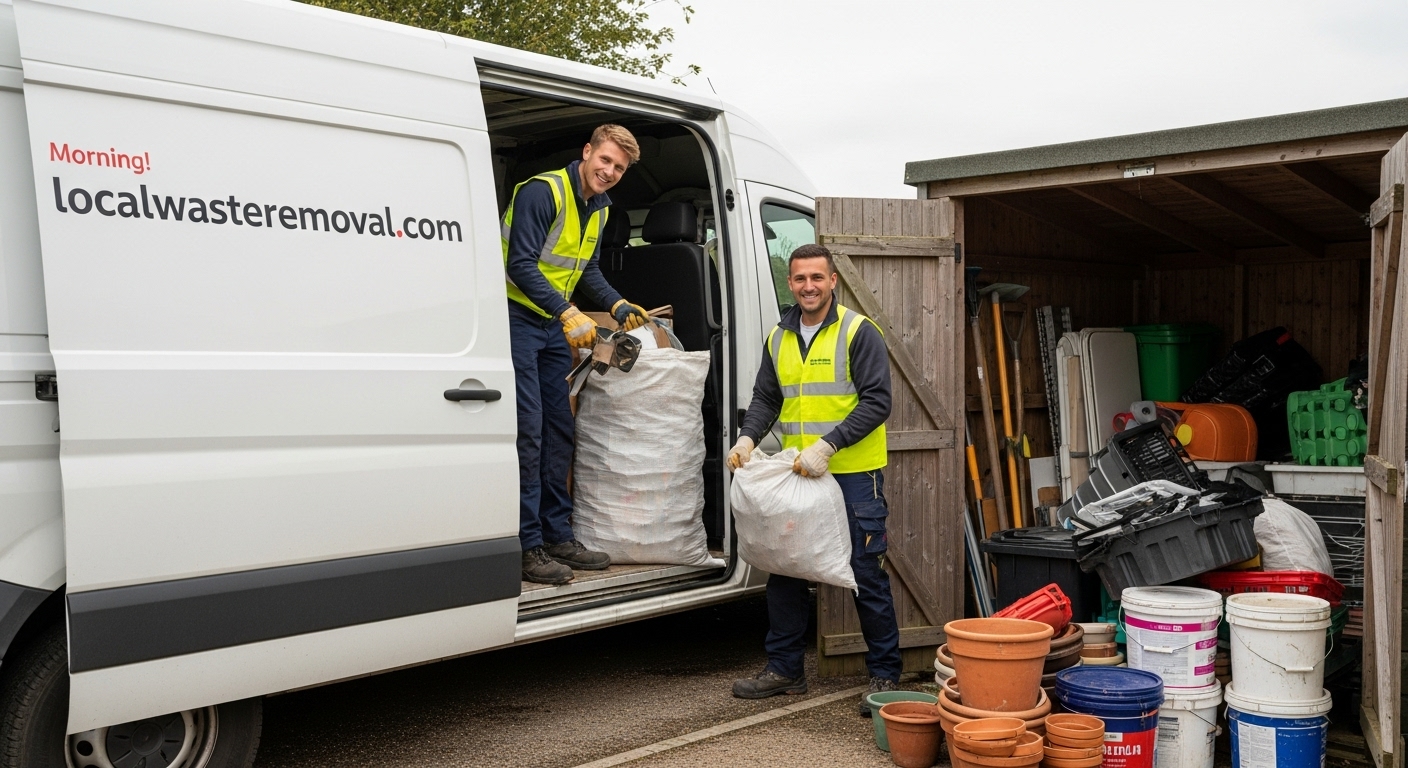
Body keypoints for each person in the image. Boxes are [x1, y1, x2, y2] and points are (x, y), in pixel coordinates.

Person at [727, 243, 902, 715]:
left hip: (851, 473)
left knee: (866, 573)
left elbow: (877, 402)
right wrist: (747, 439)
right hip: (797, 474)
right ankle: (785, 671)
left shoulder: (857, 332)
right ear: (791, 283)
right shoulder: (778, 337)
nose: (808, 286)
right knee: (784, 568)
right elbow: (767, 397)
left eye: (817, 279)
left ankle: (884, 674)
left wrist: (829, 445)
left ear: (832, 282)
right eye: (800, 278)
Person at [503, 124, 651, 585]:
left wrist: (616, 304)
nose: (609, 171)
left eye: (619, 168)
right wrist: (568, 313)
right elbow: (519, 264)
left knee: (559, 429)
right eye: (604, 160)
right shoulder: (542, 192)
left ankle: (557, 535)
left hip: (551, 326)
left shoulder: (600, 209)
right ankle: (527, 546)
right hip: (514, 317)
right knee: (529, 432)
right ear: (587, 152)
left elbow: (585, 268)